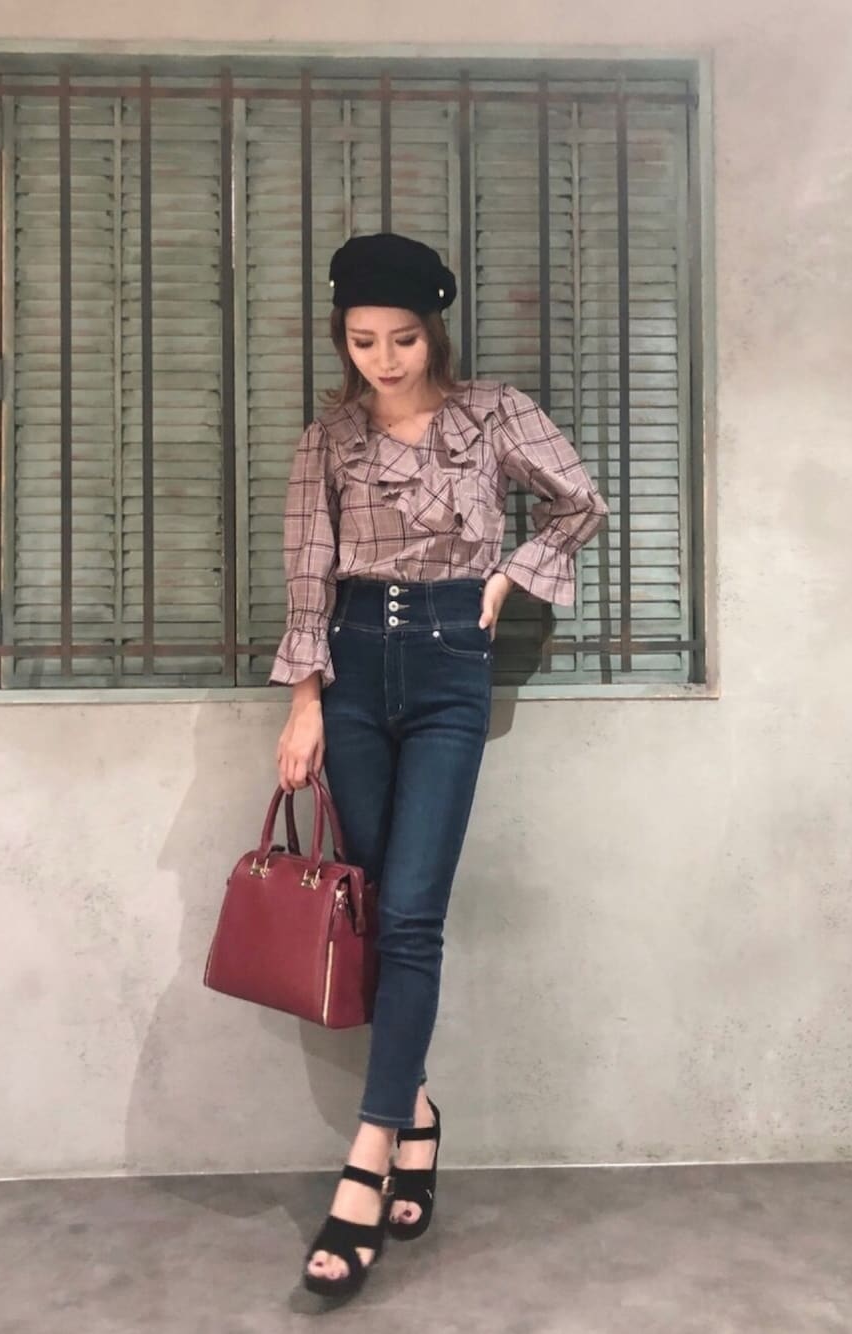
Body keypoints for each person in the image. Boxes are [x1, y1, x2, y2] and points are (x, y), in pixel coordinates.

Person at [270, 232, 609, 1298]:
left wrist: (510, 576)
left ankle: (367, 1158)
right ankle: (413, 1113)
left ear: (435, 333)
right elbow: (307, 571)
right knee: (376, 907)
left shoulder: (492, 413)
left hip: (452, 663)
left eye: (403, 338)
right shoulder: (328, 437)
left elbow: (581, 500)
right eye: (363, 339)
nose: (383, 358)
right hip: (353, 669)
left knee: (414, 911)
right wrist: (304, 701)